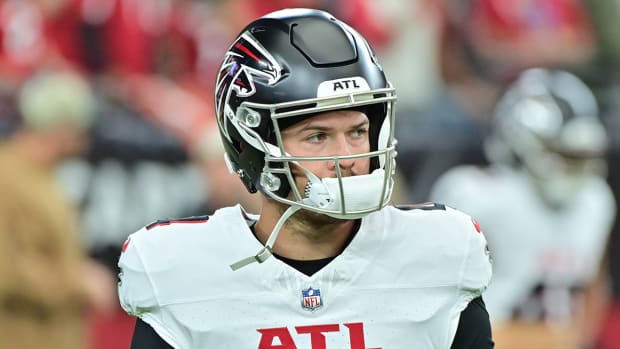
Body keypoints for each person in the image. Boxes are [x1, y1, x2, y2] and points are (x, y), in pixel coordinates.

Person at [118, 8, 493, 348]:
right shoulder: (181, 269)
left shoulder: (439, 253)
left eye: (358, 132)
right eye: (318, 136)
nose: (348, 157)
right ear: (252, 145)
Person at [430, 68, 616, 349]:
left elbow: (593, 290)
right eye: (564, 154)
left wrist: (572, 339)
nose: (576, 168)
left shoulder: (595, 200)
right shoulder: (479, 195)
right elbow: (436, 305)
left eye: (581, 156)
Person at [0, 69, 116, 349]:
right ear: (62, 129)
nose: (85, 140)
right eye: (82, 130)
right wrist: (78, 282)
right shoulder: (7, 180)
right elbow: (6, 270)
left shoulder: (44, 178)